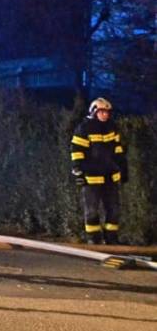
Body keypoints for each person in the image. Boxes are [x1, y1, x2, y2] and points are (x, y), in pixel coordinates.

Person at [71, 96, 127, 246]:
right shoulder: (84, 128)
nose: (105, 115)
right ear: (94, 112)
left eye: (107, 112)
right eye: (102, 112)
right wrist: (79, 171)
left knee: (113, 209)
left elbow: (118, 150)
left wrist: (123, 168)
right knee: (92, 211)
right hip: (92, 177)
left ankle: (111, 238)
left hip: (110, 176)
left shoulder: (112, 127)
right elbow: (77, 151)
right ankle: (93, 239)